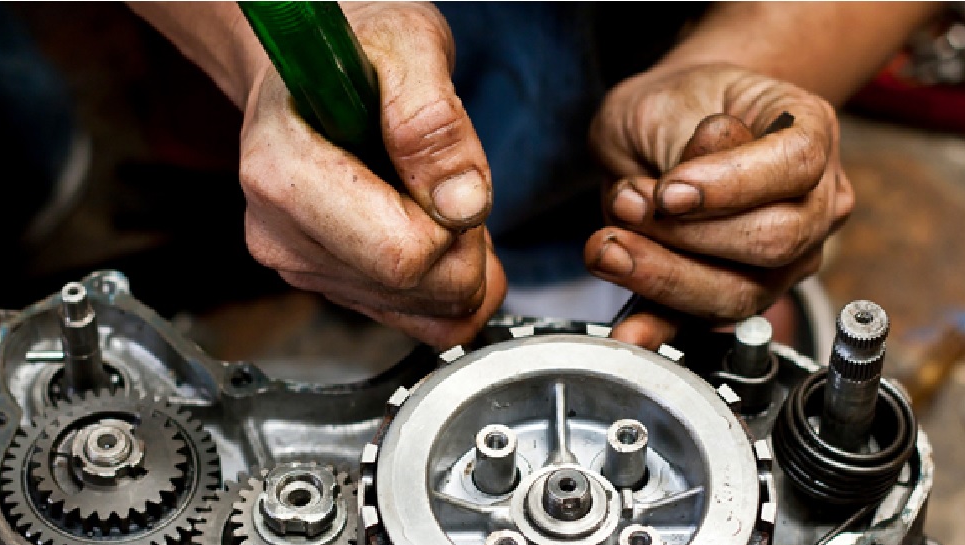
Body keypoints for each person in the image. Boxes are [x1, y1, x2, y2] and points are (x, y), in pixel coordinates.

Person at [127, 1, 942, 351]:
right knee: (413, 245)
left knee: (690, 291)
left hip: (649, 64)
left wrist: (751, 60)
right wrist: (259, 57)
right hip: (392, 75)